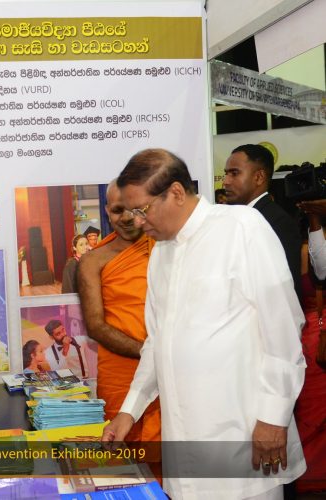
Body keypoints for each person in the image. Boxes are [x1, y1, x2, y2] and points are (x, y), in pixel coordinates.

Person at [103, 148, 306, 500]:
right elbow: (157, 343)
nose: (137, 221)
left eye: (142, 209)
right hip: (185, 441)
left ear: (176, 193)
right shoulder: (161, 253)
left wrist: (273, 418)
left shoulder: (241, 227)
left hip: (243, 436)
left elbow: (284, 329)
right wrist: (129, 411)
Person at [78, 180, 160, 442]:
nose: (126, 218)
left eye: (133, 209)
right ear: (106, 211)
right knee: (123, 453)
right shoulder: (93, 260)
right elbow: (95, 326)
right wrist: (151, 355)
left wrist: (163, 358)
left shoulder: (165, 247)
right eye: (117, 210)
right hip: (122, 370)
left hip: (171, 372)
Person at [223, 144, 302, 300]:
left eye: (234, 173)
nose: (225, 181)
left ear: (258, 177)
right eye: (226, 174)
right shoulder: (233, 218)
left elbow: (287, 290)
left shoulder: (278, 222)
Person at [292, 199, 326, 494]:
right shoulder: (304, 252)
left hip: (310, 336)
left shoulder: (299, 252)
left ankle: (309, 476)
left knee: (311, 409)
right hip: (311, 338)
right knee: (311, 408)